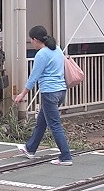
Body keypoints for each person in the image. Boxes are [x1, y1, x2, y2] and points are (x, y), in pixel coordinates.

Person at [14, 25, 73, 166]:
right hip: (61, 91)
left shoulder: (42, 54)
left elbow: (34, 77)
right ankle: (30, 149)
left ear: (35, 39)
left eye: (31, 40)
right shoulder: (57, 49)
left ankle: (66, 156)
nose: (31, 43)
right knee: (42, 121)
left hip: (49, 92)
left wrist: (22, 94)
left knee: (54, 125)